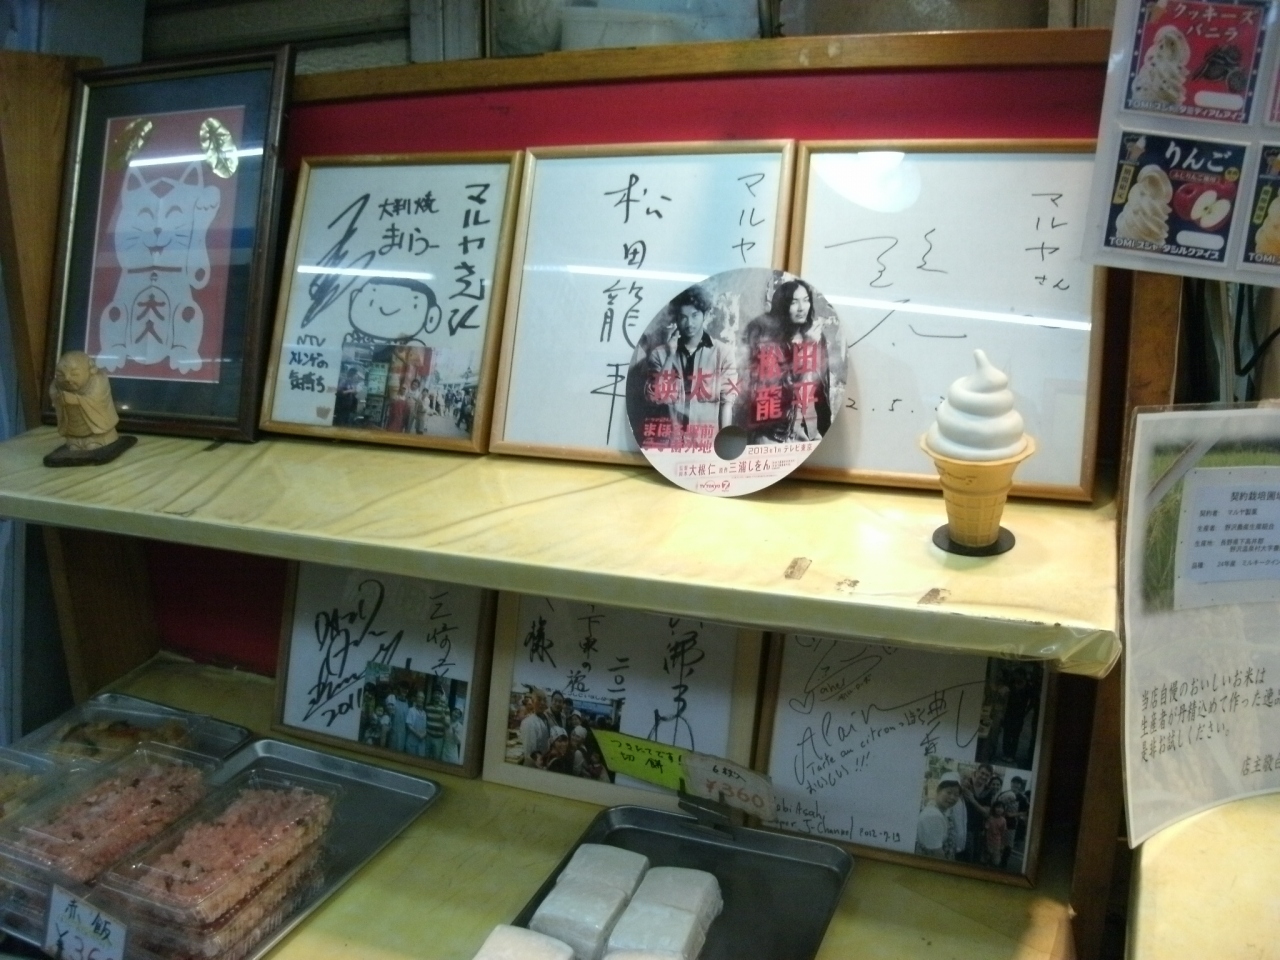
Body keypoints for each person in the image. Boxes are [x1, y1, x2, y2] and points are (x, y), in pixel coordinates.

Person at [629, 285, 735, 452]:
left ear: (705, 315)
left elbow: (726, 402)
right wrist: (670, 356)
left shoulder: (723, 353)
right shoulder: (659, 355)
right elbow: (656, 397)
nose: (689, 323)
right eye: (683, 317)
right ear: (676, 319)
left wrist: (725, 444)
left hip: (707, 446)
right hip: (669, 447)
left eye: (695, 315)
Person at [738, 278, 837, 444]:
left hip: (807, 434)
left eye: (806, 300)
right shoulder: (769, 343)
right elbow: (780, 392)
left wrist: (822, 431)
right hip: (774, 435)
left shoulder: (816, 339)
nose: (801, 308)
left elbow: (820, 391)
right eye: (794, 302)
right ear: (783, 306)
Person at [916, 775, 966, 860]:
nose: (952, 797)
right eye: (949, 792)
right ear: (938, 790)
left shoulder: (941, 811)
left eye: (956, 795)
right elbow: (936, 854)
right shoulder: (932, 816)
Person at [519, 689, 551, 766]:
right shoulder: (528, 722)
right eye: (539, 700)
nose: (542, 703)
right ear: (533, 702)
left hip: (544, 760)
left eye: (544, 700)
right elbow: (529, 751)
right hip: (534, 764)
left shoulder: (546, 718)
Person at [424, 687, 450, 761]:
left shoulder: (446, 708)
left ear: (441, 695)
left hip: (439, 739)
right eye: (435, 693)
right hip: (428, 737)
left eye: (439, 694)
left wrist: (443, 719)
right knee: (425, 758)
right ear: (432, 695)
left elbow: (448, 724)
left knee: (436, 759)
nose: (437, 695)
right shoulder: (428, 706)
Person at [984, 800, 1010, 867]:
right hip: (988, 840)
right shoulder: (990, 818)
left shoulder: (1003, 820)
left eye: (1001, 808)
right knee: (987, 856)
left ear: (1004, 810)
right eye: (998, 807)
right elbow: (986, 829)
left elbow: (1003, 833)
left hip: (997, 842)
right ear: (994, 808)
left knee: (996, 860)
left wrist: (1002, 844)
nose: (999, 809)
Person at [405, 690, 428, 757]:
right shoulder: (411, 710)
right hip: (412, 742)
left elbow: (425, 727)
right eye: (419, 697)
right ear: (416, 699)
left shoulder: (424, 713)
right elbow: (409, 725)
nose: (420, 699)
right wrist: (418, 734)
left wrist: (424, 734)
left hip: (421, 743)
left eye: (422, 698)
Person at [386, 688, 409, 753]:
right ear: (400, 689)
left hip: (403, 734)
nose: (404, 691)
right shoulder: (393, 700)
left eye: (406, 689)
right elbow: (388, 713)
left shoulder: (409, 703)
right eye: (403, 688)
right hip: (393, 732)